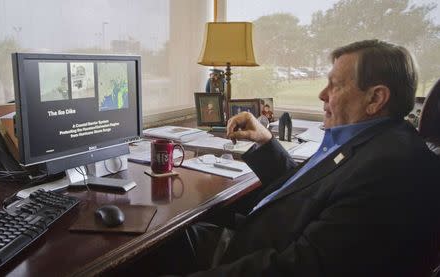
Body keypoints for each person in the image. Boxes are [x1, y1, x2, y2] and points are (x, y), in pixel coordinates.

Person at [163, 40, 440, 276]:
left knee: (146, 254)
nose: (322, 95)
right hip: (259, 239)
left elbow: (301, 268)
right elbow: (308, 191)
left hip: (255, 256)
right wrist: (267, 141)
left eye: (334, 86)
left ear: (375, 99)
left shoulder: (388, 170)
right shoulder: (373, 140)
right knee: (167, 239)